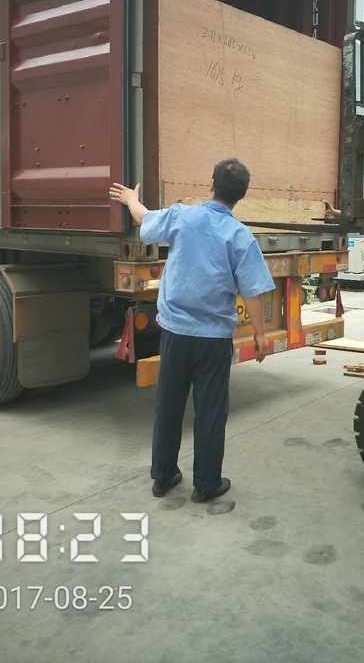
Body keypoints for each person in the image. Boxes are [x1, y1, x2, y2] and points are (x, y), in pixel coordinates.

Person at [109, 159, 275, 503]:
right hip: (213, 340)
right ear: (240, 196)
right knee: (211, 411)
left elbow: (144, 219)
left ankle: (163, 476)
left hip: (176, 334)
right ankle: (206, 485)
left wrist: (130, 200)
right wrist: (260, 335)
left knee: (169, 406)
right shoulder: (240, 237)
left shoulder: (182, 217)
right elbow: (254, 290)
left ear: (211, 184)